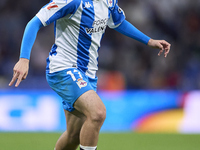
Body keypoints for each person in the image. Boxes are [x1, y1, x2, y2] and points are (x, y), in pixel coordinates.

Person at [9, 0, 171, 150]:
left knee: (73, 136)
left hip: (88, 73)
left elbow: (119, 22)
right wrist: (24, 58)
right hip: (63, 67)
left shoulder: (107, 1)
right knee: (98, 112)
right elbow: (34, 22)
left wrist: (149, 41)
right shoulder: (71, 1)